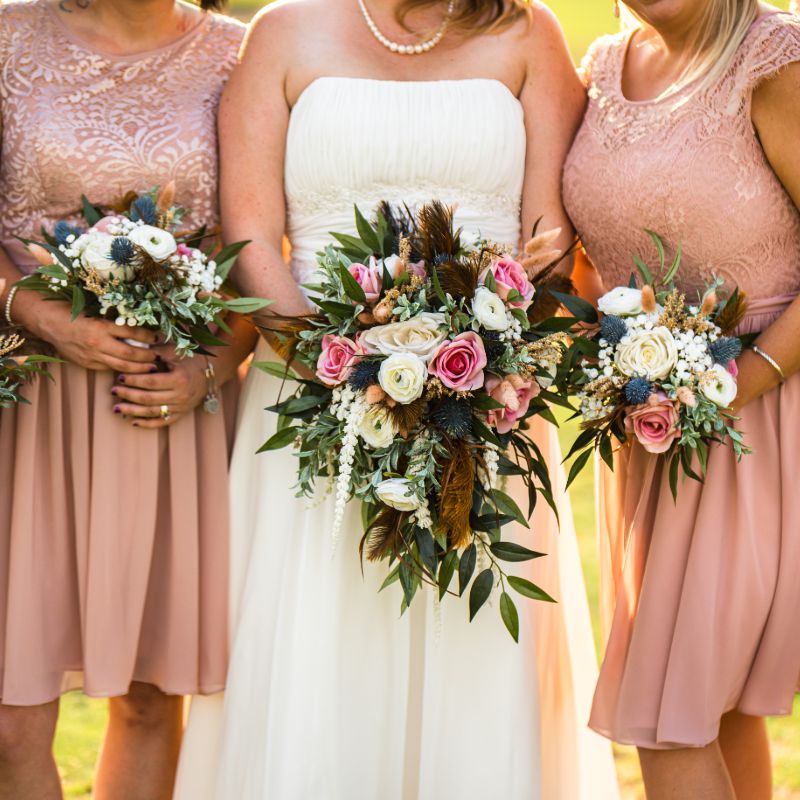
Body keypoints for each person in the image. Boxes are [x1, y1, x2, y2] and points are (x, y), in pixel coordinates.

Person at [173, 1, 620, 798]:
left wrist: (478, 360)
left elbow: (551, 238)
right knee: (318, 643)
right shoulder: (280, 31)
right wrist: (335, 364)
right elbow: (250, 228)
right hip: (309, 397)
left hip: (480, 403)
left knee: (469, 639)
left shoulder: (529, 32)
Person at [0, 1, 255, 797]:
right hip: (26, 401)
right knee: (10, 722)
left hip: (163, 407)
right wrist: (40, 315)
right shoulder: (6, 33)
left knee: (150, 700)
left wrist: (208, 371)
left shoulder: (240, 54)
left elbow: (267, 251)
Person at [563, 2, 800, 798]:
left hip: (758, 432)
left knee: (665, 718)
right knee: (717, 711)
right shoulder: (599, 69)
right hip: (650, 438)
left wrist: (737, 382)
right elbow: (597, 250)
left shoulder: (773, 61)